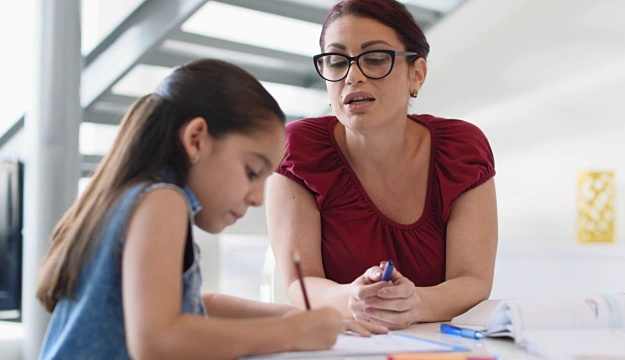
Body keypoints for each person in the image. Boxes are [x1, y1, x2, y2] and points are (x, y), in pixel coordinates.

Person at [35, 58, 386, 359]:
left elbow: (200, 303)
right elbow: (157, 342)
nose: (257, 199)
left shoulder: (131, 196)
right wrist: (292, 332)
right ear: (196, 139)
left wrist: (296, 317)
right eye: (251, 171)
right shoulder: (162, 201)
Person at [266, 0, 498, 331]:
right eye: (336, 62)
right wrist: (354, 299)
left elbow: (473, 280)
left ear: (416, 75)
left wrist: (416, 303)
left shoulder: (462, 148)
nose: (353, 76)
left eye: (375, 59)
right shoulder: (299, 150)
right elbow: (299, 285)